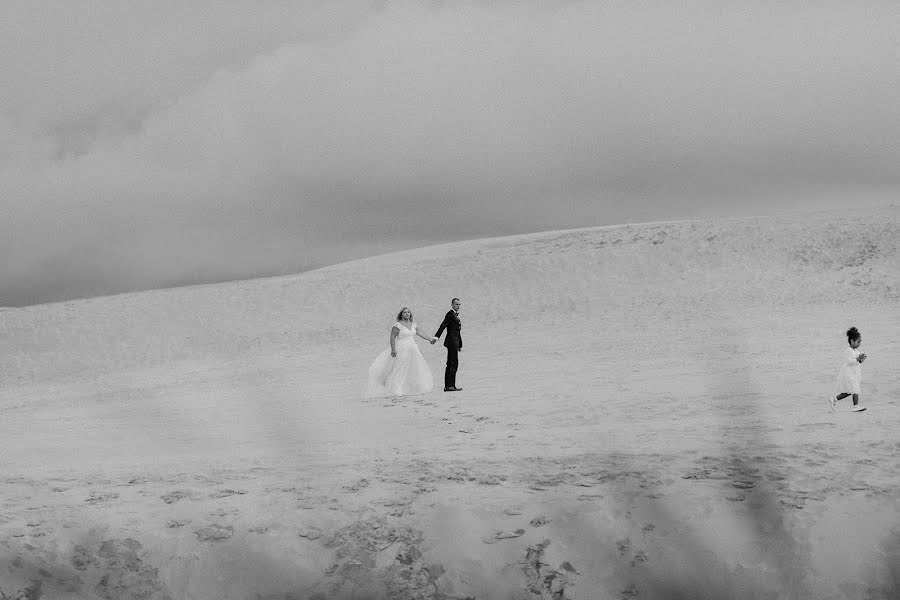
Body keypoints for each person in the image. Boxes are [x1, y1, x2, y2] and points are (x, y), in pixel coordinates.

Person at [365, 307, 437, 398]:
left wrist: (430, 339)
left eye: (408, 312)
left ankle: (415, 387)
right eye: (405, 312)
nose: (407, 314)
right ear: (401, 315)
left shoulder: (413, 324)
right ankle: (396, 389)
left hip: (413, 348)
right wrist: (393, 349)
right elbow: (392, 337)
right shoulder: (397, 325)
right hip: (402, 348)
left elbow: (420, 332)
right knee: (400, 367)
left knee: (416, 366)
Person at [829, 326, 867, 412]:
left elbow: (857, 361)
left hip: (854, 373)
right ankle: (855, 406)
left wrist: (861, 359)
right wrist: (857, 359)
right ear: (852, 341)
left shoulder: (856, 351)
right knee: (855, 389)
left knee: (849, 391)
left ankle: (834, 399)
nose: (859, 344)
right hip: (849, 373)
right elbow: (849, 361)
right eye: (858, 342)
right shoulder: (848, 351)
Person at [434, 297, 462, 392]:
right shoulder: (450, 314)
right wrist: (436, 337)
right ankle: (449, 386)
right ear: (452, 305)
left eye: (459, 304)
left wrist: (459, 345)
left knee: (453, 363)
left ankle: (450, 385)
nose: (458, 306)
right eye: (456, 304)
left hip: (455, 343)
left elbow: (457, 332)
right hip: (451, 342)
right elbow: (443, 325)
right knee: (452, 363)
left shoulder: (455, 315)